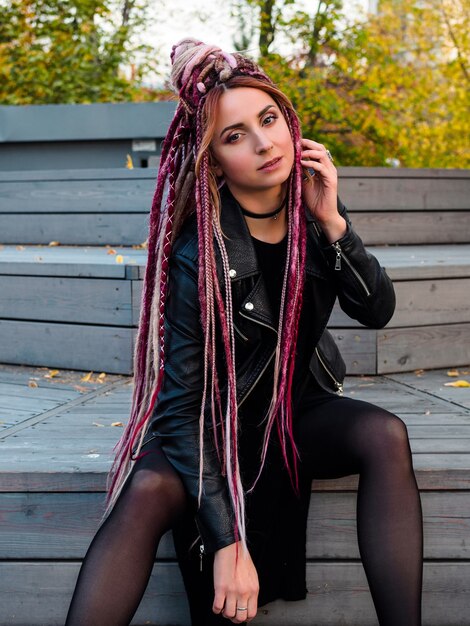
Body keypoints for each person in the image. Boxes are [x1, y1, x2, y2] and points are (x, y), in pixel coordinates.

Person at [65, 38, 423, 626]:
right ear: (214, 159)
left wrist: (335, 223)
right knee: (150, 489)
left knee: (385, 434)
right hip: (209, 424)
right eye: (235, 136)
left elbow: (376, 309)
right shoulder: (196, 253)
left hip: (288, 410)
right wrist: (230, 541)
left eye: (269, 119)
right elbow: (176, 412)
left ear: (289, 120)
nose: (263, 144)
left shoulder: (314, 212)